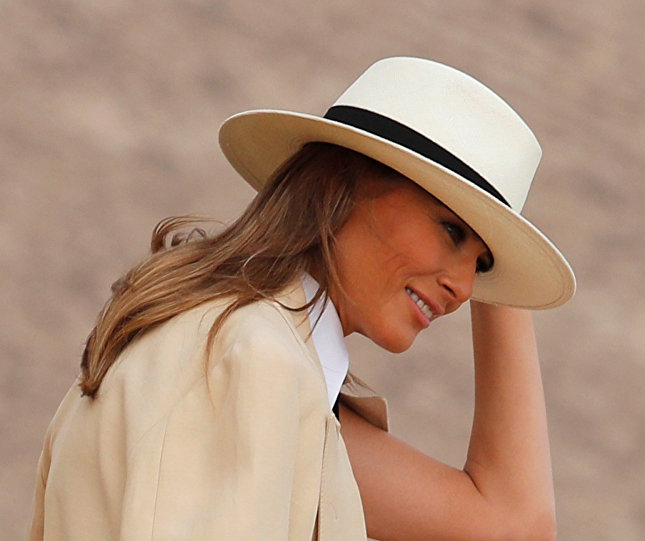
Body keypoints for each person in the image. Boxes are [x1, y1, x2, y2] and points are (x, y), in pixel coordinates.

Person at [28, 57, 575, 540]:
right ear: (343, 182)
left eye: (482, 265)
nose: (464, 287)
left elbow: (511, 527)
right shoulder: (250, 361)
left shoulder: (239, 353)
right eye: (452, 231)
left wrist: (497, 227)